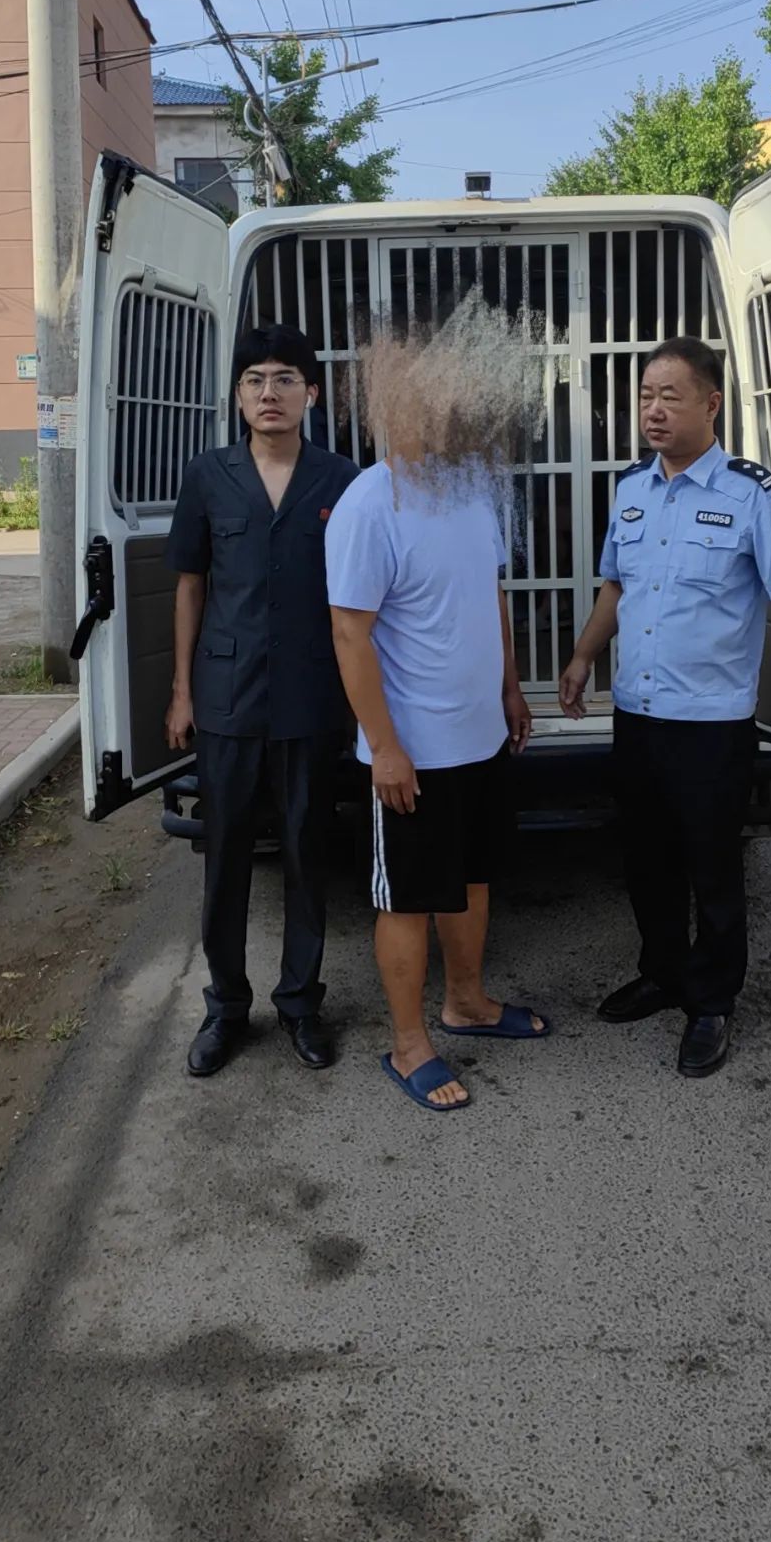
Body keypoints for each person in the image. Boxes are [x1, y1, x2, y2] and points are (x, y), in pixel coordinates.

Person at [559, 335, 771, 1080]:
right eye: (645, 396)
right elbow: (616, 586)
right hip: (639, 713)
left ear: (711, 404)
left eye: (669, 396)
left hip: (710, 724)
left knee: (711, 867)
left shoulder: (751, 494)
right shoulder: (631, 489)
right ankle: (662, 972)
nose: (652, 410)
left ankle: (711, 1002)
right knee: (646, 859)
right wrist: (583, 657)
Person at [324, 302, 550, 1112]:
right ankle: (408, 1043)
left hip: (479, 738)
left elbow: (490, 596)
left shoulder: (472, 491)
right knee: (410, 900)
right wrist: (383, 747)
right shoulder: (368, 505)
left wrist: (509, 688)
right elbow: (349, 635)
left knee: (474, 880)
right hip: (411, 753)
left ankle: (467, 1003)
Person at [165, 324, 357, 1078]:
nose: (268, 393)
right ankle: (225, 1008)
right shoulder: (209, 476)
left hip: (311, 697)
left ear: (311, 392)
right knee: (227, 858)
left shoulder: (340, 480)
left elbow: (360, 597)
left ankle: (301, 1004)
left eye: (283, 379)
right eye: (254, 380)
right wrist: (182, 692)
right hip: (228, 698)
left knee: (309, 852)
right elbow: (190, 587)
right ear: (238, 396)